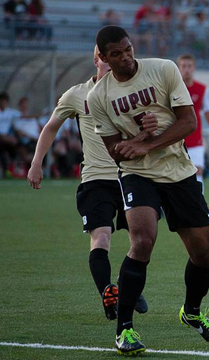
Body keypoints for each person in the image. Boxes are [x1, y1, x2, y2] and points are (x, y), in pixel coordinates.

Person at [87, 25, 209, 355]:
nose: (125, 58)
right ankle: (124, 330)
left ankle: (191, 313)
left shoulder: (163, 69)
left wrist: (147, 141)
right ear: (104, 58)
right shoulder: (99, 97)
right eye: (116, 54)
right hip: (137, 175)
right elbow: (114, 150)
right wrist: (137, 143)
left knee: (204, 253)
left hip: (179, 171)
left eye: (128, 49)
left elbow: (188, 123)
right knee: (143, 240)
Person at [27, 46, 149, 321]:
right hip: (95, 179)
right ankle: (108, 290)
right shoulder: (76, 94)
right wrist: (36, 162)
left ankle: (122, 282)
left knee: (141, 241)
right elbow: (50, 127)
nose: (113, 64)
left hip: (129, 177)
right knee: (101, 238)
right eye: (107, 59)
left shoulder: (131, 93)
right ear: (97, 60)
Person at [176, 53, 209, 188]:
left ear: (194, 68)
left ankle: (198, 204)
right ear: (179, 68)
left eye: (189, 66)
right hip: (175, 138)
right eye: (183, 66)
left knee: (197, 170)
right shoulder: (172, 88)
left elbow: (208, 111)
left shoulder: (202, 89)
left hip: (195, 138)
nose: (186, 69)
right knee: (175, 173)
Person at [0, 92, 20, 177]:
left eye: (5, 101)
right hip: (2, 137)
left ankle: (11, 169)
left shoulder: (10, 112)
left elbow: (23, 116)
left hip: (7, 138)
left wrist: (39, 115)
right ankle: (6, 170)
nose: (3, 103)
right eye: (2, 101)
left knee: (15, 146)